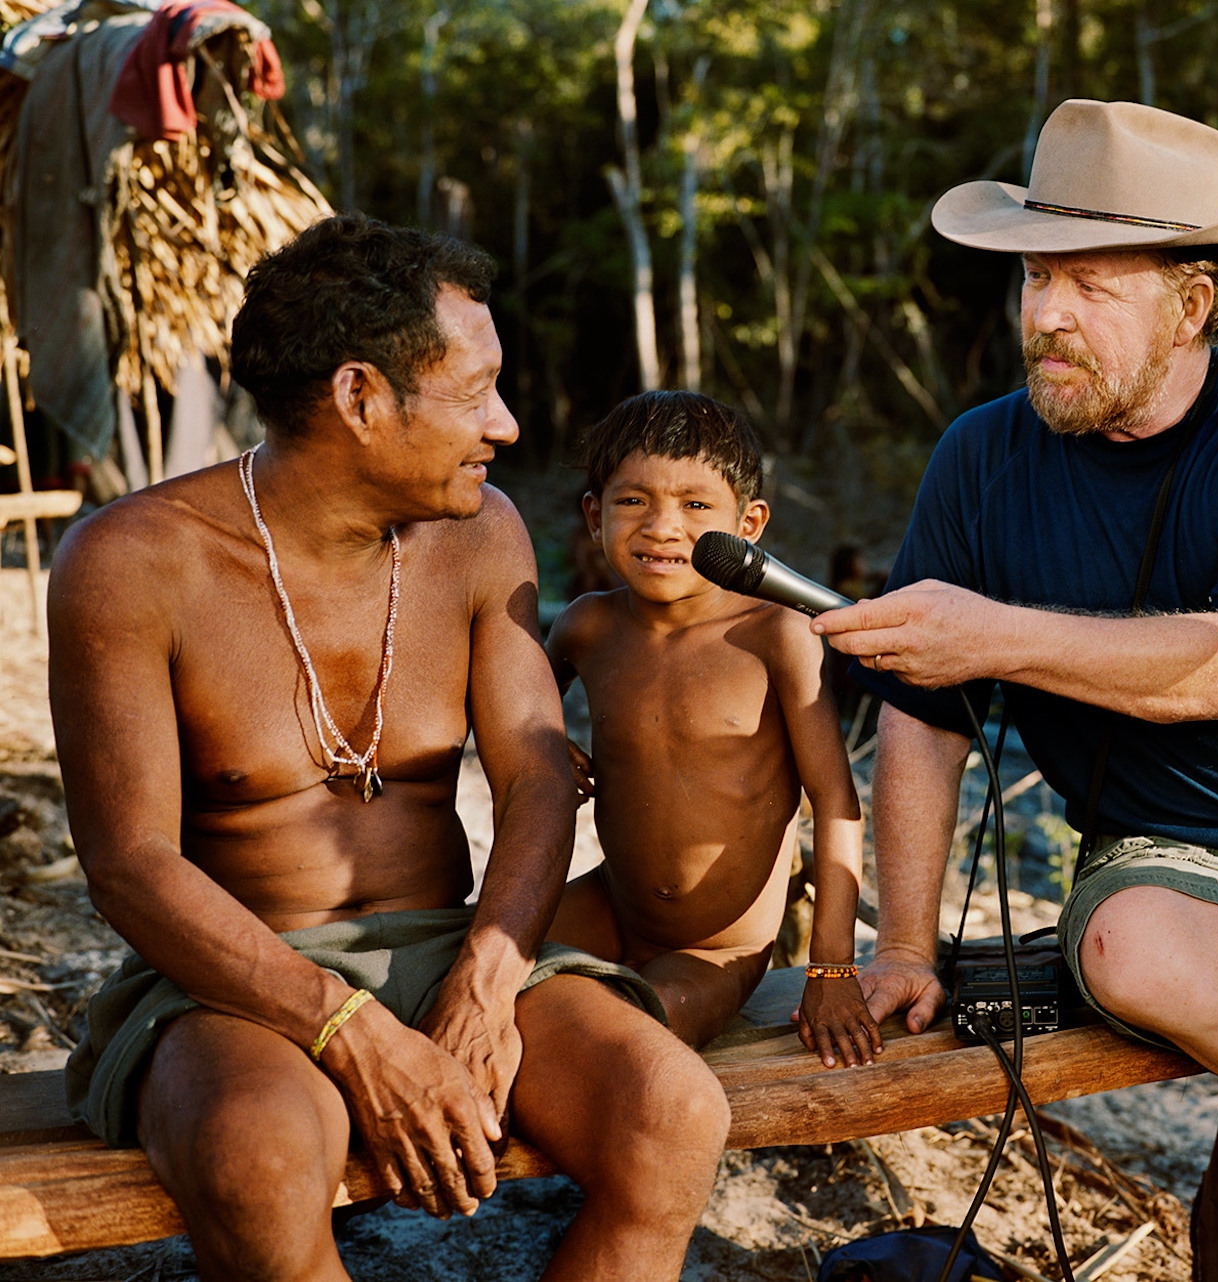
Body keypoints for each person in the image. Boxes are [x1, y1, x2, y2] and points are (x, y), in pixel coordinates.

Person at [49, 213, 727, 1281]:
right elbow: (130, 866)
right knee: (259, 1161)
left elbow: (538, 773)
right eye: (473, 392)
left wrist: (486, 982)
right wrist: (351, 1031)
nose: (502, 425)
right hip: (235, 979)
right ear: (359, 396)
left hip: (458, 947)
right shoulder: (130, 561)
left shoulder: (478, 530)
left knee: (672, 1111)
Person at [810, 99, 1218, 1271]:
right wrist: (910, 946)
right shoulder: (978, 454)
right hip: (1166, 860)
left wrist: (993, 636)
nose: (1048, 317)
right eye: (1033, 281)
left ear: (1192, 305)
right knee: (1125, 948)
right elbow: (923, 720)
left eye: (1090, 286)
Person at [543, 390, 876, 1066]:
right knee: (475, 979)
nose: (662, 528)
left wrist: (832, 968)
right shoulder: (587, 626)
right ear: (593, 513)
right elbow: (513, 717)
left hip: (717, 949)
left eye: (696, 506)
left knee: (622, 1042)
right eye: (633, 500)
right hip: (612, 904)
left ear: (747, 524)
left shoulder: (774, 636)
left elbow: (838, 805)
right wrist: (545, 742)